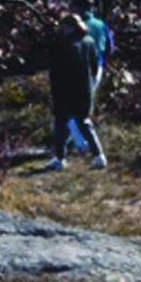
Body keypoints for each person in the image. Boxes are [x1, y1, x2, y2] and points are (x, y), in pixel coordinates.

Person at [45, 10, 107, 171]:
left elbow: (58, 71)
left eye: (63, 26)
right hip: (85, 89)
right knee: (84, 122)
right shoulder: (89, 41)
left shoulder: (65, 45)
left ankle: (60, 158)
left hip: (65, 90)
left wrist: (55, 88)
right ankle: (99, 155)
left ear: (70, 27)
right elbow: (95, 65)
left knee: (61, 123)